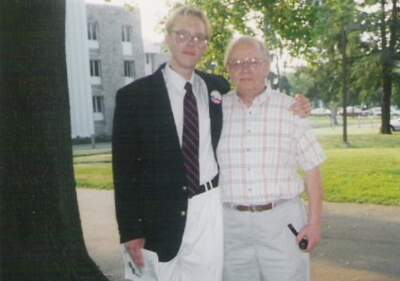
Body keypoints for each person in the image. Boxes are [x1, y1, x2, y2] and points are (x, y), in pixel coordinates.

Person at [112, 5, 311, 281]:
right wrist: (131, 231)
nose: (191, 43)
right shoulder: (134, 97)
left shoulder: (216, 87)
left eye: (199, 37)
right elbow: (124, 173)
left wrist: (298, 104)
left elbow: (253, 91)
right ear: (168, 38)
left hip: (209, 209)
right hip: (158, 214)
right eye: (182, 35)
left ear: (206, 45)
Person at [217, 36, 325, 281]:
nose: (245, 68)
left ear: (267, 65)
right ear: (228, 70)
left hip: (282, 223)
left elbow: (312, 170)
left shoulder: (291, 109)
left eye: (253, 61)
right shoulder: (215, 112)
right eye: (236, 63)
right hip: (231, 226)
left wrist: (315, 224)